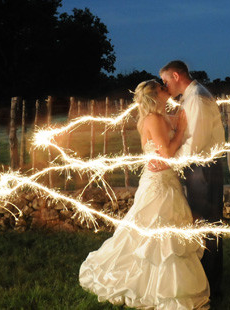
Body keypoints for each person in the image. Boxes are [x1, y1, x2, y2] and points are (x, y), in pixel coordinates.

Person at [79, 79, 210, 310]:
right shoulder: (154, 119)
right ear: (155, 95)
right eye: (162, 88)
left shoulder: (158, 117)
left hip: (165, 179)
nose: (166, 89)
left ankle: (166, 283)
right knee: (158, 230)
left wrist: (179, 124)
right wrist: (179, 130)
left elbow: (168, 145)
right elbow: (168, 152)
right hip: (159, 183)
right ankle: (158, 287)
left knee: (164, 230)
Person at [158, 60, 225, 299]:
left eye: (165, 81)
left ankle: (209, 286)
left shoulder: (196, 97)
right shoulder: (191, 96)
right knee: (204, 224)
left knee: (205, 224)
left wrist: (171, 162)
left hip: (203, 169)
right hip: (201, 168)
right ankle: (207, 282)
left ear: (176, 76)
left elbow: (195, 142)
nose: (164, 86)